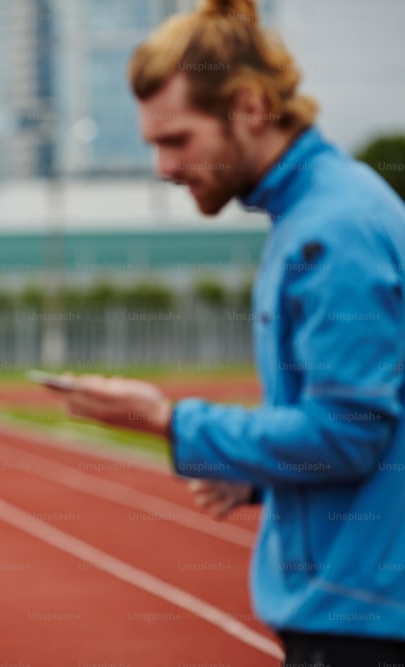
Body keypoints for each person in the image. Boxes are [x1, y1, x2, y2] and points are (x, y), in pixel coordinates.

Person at [45, 1, 405, 665]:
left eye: (176, 139)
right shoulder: (312, 214)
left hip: (364, 621)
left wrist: (168, 419)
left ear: (249, 109)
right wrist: (261, 477)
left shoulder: (335, 229)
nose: (163, 167)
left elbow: (349, 433)